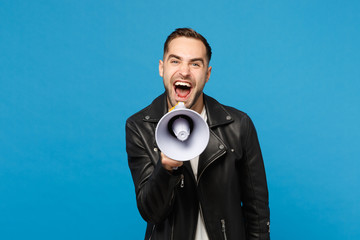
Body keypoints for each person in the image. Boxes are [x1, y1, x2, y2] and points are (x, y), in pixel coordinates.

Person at [126, 28, 270, 240]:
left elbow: (257, 210)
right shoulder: (140, 126)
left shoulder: (239, 125)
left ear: (207, 74)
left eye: (195, 64)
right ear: (161, 68)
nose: (184, 71)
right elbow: (151, 212)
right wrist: (165, 170)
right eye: (175, 61)